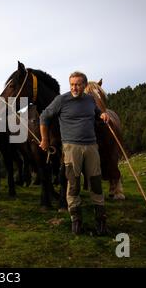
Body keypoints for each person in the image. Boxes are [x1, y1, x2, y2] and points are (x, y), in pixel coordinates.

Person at [39, 71, 110, 235]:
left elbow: (97, 114)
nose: (74, 87)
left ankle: (101, 223)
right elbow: (44, 117)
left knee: (96, 183)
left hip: (92, 147)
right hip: (71, 148)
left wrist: (103, 114)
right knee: (73, 185)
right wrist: (44, 139)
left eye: (78, 84)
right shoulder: (61, 100)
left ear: (84, 85)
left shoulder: (90, 100)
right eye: (72, 84)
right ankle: (76, 223)